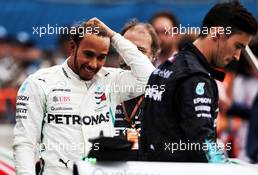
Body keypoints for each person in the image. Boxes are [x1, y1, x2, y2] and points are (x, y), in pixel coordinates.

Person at [13, 18, 155, 174]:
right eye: (88, 54)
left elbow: (149, 76)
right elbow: (25, 143)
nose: (93, 64)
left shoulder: (111, 80)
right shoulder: (39, 82)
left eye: (101, 57)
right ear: (73, 47)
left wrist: (114, 36)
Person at [140, 1, 258, 162]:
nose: (237, 56)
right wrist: (224, 166)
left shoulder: (168, 65)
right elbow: (204, 145)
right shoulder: (196, 77)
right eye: (237, 46)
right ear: (217, 33)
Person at [114, 20, 160, 149]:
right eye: (127, 49)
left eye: (140, 51)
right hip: (110, 166)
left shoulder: (164, 92)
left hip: (149, 167)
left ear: (154, 56)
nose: (132, 57)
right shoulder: (103, 85)